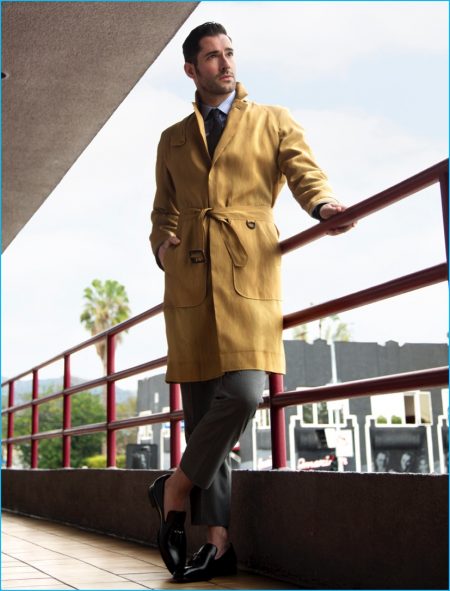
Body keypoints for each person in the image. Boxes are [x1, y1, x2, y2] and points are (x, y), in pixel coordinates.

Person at [148, 22, 355, 583]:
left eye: (229, 53)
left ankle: (174, 489)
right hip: (190, 278)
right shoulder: (172, 138)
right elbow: (162, 210)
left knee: (242, 392)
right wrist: (163, 248)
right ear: (191, 69)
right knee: (202, 413)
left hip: (247, 271)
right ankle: (218, 545)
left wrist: (323, 206)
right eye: (212, 56)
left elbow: (304, 172)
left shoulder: (272, 120)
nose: (225, 64)